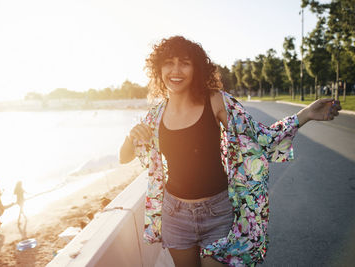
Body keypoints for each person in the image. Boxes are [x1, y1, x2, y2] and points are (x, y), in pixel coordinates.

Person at [119, 36, 341, 267]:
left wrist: (305, 115)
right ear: (158, 68)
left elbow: (261, 137)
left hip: (218, 212)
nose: (176, 70)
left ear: (196, 68)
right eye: (168, 62)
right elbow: (124, 157)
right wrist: (131, 137)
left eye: (184, 62)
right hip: (175, 215)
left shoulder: (215, 101)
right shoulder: (155, 116)